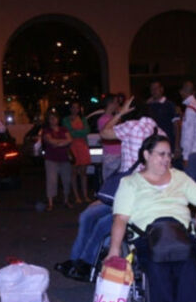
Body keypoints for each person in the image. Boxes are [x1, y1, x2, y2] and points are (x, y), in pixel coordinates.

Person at [107, 134, 196, 302]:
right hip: (147, 235)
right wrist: (114, 250)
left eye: (169, 155)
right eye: (161, 154)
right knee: (153, 259)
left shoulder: (179, 178)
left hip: (180, 233)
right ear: (146, 155)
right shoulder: (130, 183)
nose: (167, 159)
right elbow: (120, 219)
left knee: (189, 258)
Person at [55, 98, 164, 281]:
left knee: (94, 220)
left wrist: (120, 114)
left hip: (131, 197)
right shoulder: (159, 132)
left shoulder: (132, 126)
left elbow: (104, 133)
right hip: (139, 194)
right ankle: (76, 261)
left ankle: (85, 265)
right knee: (89, 216)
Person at [62, 101, 92, 204]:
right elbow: (68, 131)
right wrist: (78, 132)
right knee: (74, 172)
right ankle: (76, 196)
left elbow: (87, 131)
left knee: (83, 172)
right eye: (73, 107)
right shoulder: (66, 120)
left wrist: (75, 132)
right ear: (70, 109)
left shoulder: (83, 119)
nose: (75, 109)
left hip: (83, 146)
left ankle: (85, 195)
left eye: (77, 108)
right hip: (72, 146)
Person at [42, 112, 73, 211]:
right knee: (51, 181)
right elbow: (50, 141)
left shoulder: (64, 129)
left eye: (54, 118)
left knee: (66, 180)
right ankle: (50, 202)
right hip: (51, 159)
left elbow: (70, 140)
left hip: (64, 158)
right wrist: (62, 142)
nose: (53, 120)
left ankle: (66, 200)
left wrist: (57, 143)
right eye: (51, 118)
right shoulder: (46, 131)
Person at [146, 80, 179, 157]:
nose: (154, 91)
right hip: (153, 144)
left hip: (168, 143)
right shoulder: (149, 106)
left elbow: (176, 126)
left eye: (156, 88)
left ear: (161, 89)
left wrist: (177, 146)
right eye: (152, 89)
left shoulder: (169, 105)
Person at [97, 94, 122, 181]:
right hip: (111, 156)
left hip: (119, 154)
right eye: (116, 102)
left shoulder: (114, 118)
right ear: (110, 103)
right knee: (111, 183)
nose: (117, 104)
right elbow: (107, 136)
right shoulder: (103, 119)